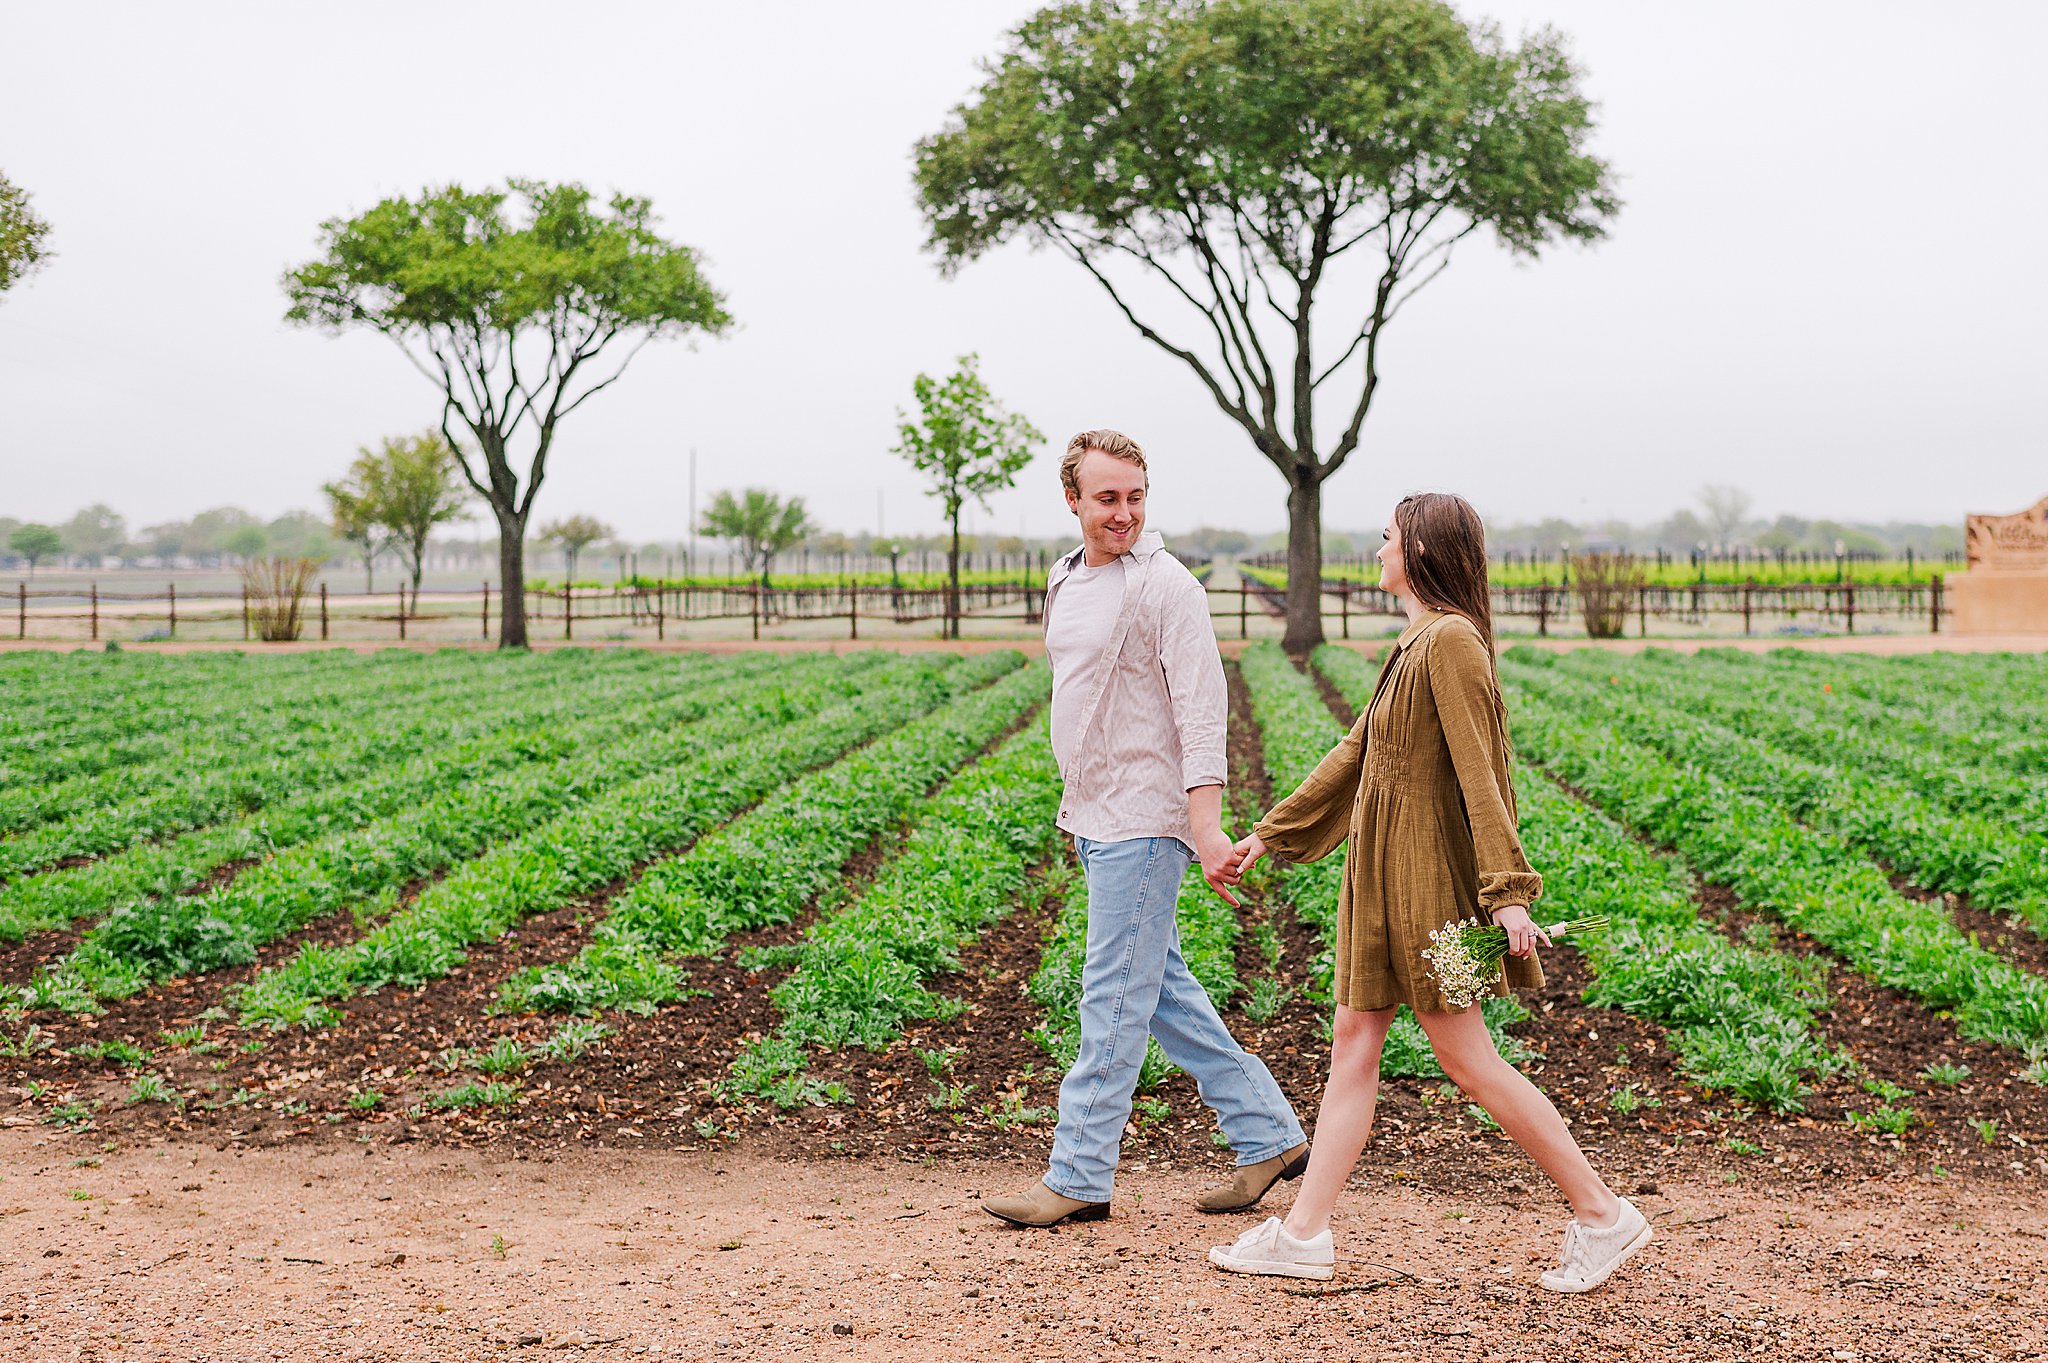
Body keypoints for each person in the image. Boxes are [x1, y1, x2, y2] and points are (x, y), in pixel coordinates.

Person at [1206, 492, 1648, 1293]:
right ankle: (1304, 1232)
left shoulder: (1449, 641)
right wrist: (1269, 834)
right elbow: (1356, 752)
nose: (1376, 550)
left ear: (1419, 550)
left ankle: (1601, 1212)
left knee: (1469, 1059)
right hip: (1381, 878)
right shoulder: (1418, 638)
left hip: (1427, 884)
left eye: (1387, 538)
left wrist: (1508, 892)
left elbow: (1482, 770)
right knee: (1354, 1039)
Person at [981, 429, 1309, 1229]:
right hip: (1092, 811)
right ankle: (1267, 1133)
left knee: (1112, 996)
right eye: (1106, 498)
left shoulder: (1166, 587)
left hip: (1144, 816)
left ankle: (1081, 1171)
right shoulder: (1063, 575)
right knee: (1154, 986)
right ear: (1073, 499)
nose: (1123, 512)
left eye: (1134, 496)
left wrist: (1204, 824)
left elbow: (1203, 708)